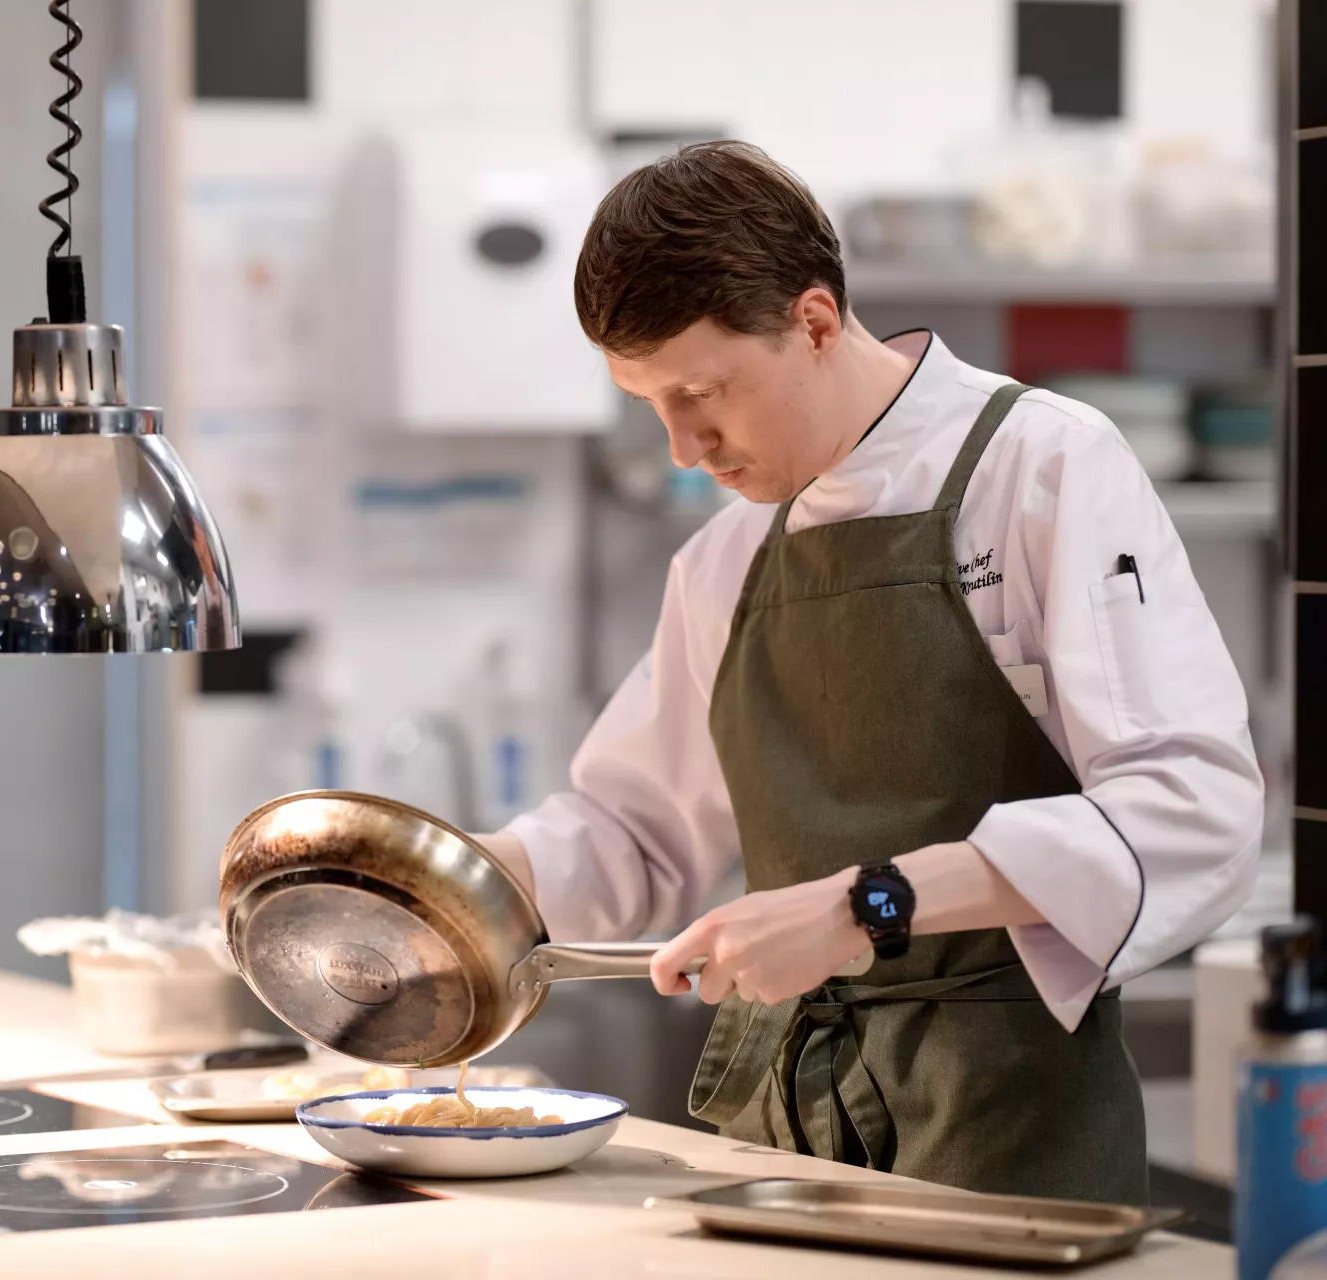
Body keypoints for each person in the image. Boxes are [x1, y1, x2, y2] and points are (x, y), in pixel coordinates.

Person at [478, 141, 1263, 1205]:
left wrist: (868, 905)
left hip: (1007, 1146)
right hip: (782, 1146)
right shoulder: (726, 556)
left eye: (703, 393)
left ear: (812, 322)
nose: (684, 447)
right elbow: (637, 828)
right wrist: (456, 876)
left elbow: (1191, 805)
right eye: (652, 403)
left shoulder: (1043, 466)